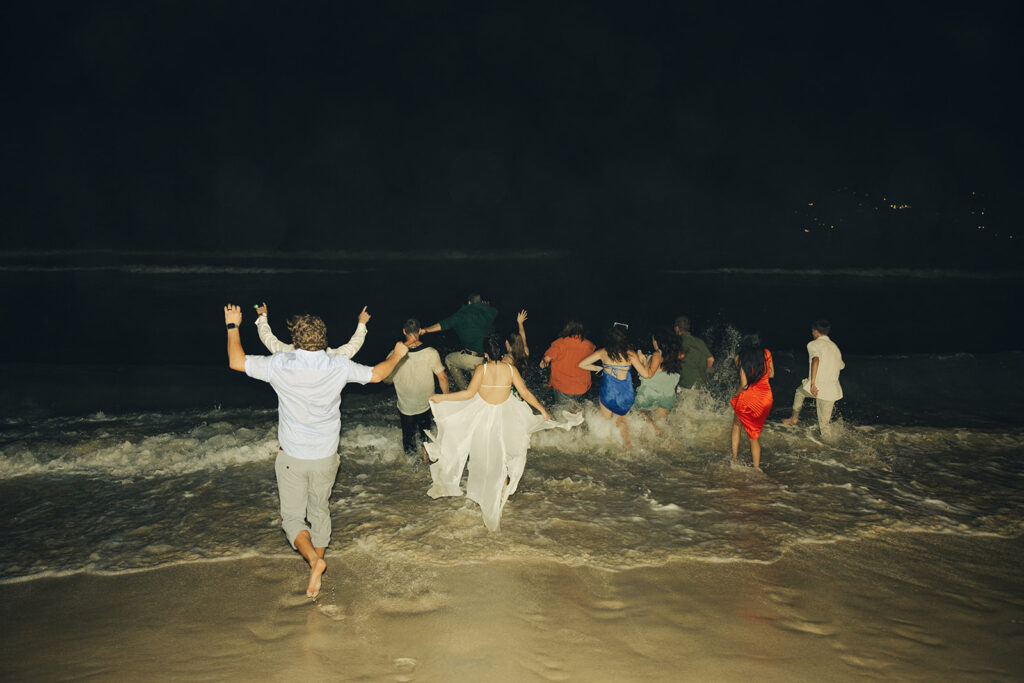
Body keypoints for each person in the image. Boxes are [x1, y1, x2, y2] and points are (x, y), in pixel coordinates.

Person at [224, 303, 408, 598]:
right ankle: (316, 565)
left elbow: (236, 361)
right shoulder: (338, 364)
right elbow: (375, 375)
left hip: (292, 456)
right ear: (324, 339)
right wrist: (398, 355)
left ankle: (314, 559)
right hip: (326, 456)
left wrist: (233, 326)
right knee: (320, 511)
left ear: (295, 340)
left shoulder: (281, 363)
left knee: (293, 519)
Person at [424, 333, 581, 532]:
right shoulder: (510, 369)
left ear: (486, 353)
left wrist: (442, 398)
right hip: (506, 416)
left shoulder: (482, 368)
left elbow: (469, 394)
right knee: (503, 454)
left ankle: (485, 494)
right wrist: (542, 410)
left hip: (484, 416)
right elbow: (524, 393)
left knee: (483, 456)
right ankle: (498, 491)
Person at [384, 318, 450, 458]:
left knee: (409, 442)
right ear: (420, 331)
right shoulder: (431, 353)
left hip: (405, 407)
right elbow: (443, 378)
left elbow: (386, 379)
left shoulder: (394, 355)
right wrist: (446, 398)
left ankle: (411, 472)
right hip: (426, 405)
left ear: (404, 331)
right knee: (426, 436)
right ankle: (427, 458)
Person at [578, 326, 652, 449]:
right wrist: (643, 360)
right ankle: (627, 443)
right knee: (621, 420)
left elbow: (582, 364)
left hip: (608, 392)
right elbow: (646, 374)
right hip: (626, 394)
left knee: (606, 420)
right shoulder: (630, 354)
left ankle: (606, 447)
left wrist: (599, 368)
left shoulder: (603, 352)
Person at [419, 293, 499, 390]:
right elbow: (493, 312)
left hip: (472, 359)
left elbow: (443, 325)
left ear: (469, 302)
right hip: (488, 358)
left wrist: (426, 330)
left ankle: (464, 389)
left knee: (449, 359)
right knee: (477, 383)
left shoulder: (463, 314)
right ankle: (476, 391)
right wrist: (485, 306)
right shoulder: (489, 312)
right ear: (480, 302)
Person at [782, 319, 845, 437]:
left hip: (817, 387)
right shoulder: (835, 348)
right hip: (832, 390)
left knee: (800, 393)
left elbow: (815, 359)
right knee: (825, 426)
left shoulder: (813, 344)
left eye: (812, 331)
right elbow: (841, 366)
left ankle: (794, 418)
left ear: (816, 331)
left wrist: (812, 384)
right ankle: (833, 450)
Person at [254, 302, 370, 358]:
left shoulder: (287, 355)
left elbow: (267, 337)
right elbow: (355, 344)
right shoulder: (334, 357)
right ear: (324, 337)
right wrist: (362, 323)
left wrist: (262, 316)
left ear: (294, 339)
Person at [730, 335, 774, 468]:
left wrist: (735, 395)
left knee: (737, 424)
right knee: (754, 435)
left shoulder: (740, 357)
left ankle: (734, 458)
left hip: (749, 398)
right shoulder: (766, 353)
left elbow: (744, 384)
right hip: (766, 397)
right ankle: (756, 467)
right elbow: (771, 374)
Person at [634, 329, 683, 433]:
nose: (653, 342)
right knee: (661, 425)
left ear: (657, 341)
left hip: (650, 394)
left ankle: (654, 433)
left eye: (653, 340)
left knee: (643, 413)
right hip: (667, 396)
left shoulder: (657, 355)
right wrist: (648, 359)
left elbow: (649, 375)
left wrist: (643, 359)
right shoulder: (674, 355)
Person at [540, 319, 596, 410]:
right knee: (575, 409)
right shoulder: (589, 345)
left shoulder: (560, 343)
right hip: (581, 386)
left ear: (567, 328)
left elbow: (547, 359)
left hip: (563, 385)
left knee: (562, 412)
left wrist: (543, 362)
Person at [674, 315, 715, 389]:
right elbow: (711, 359)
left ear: (677, 328)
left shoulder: (679, 341)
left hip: (686, 384)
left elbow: (678, 356)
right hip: (701, 384)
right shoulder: (699, 341)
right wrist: (708, 370)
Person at [503, 309, 530, 373]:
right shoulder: (525, 352)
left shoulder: (506, 360)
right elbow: (523, 337)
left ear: (507, 343)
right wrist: (520, 323)